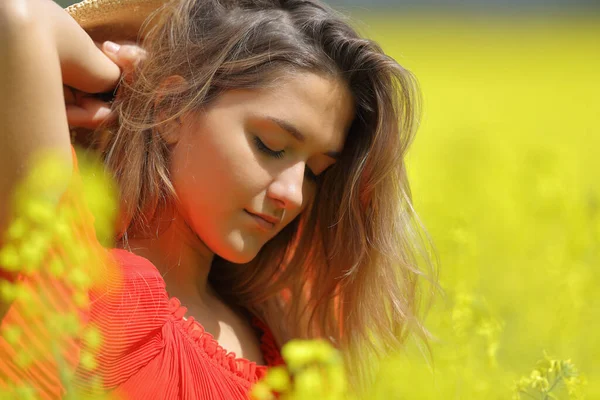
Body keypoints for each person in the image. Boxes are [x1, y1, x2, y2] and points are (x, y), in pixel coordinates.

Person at [0, 0, 437, 398]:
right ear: (171, 107)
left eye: (316, 173)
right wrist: (125, 81)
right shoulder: (82, 282)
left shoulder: (286, 334)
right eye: (270, 145)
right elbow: (19, 21)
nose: (293, 194)